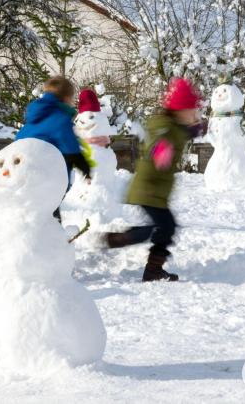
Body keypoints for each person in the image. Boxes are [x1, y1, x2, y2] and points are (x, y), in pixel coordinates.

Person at [104, 78, 203, 282]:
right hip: (149, 188)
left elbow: (181, 134)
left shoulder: (174, 127)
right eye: (191, 111)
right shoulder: (165, 128)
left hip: (154, 190)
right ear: (179, 110)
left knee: (165, 228)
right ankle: (124, 241)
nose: (195, 115)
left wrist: (195, 129)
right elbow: (158, 144)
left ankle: (150, 267)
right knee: (164, 228)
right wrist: (161, 152)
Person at [16, 76, 92, 220]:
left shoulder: (32, 121)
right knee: (49, 218)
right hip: (45, 181)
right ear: (66, 98)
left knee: (29, 216)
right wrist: (86, 169)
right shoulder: (60, 119)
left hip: (21, 178)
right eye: (72, 98)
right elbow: (72, 151)